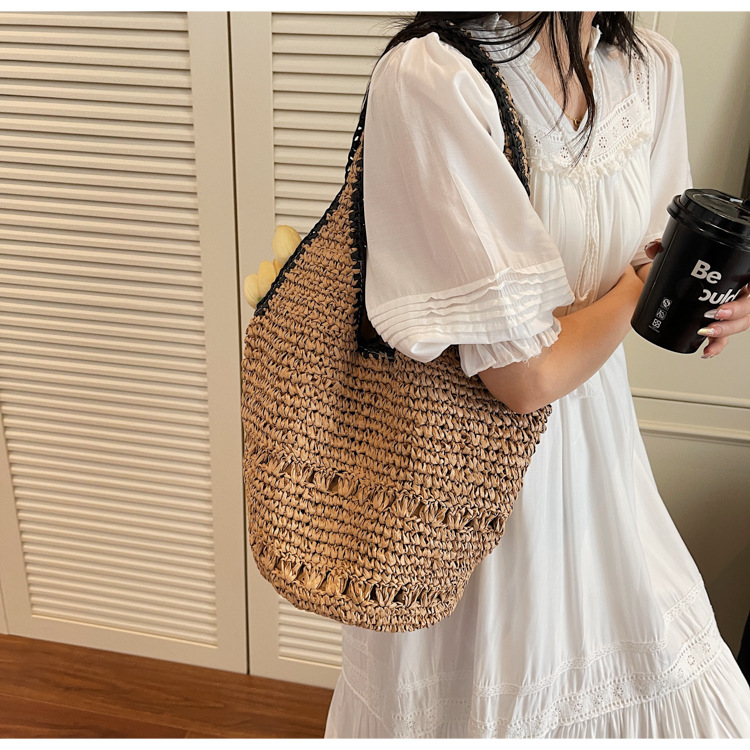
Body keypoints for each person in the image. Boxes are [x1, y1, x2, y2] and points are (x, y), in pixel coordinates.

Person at [323, 11, 750, 738]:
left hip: (601, 457)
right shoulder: (436, 76)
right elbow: (523, 380)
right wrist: (652, 281)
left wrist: (714, 289)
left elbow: (654, 255)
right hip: (464, 476)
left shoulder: (648, 68)